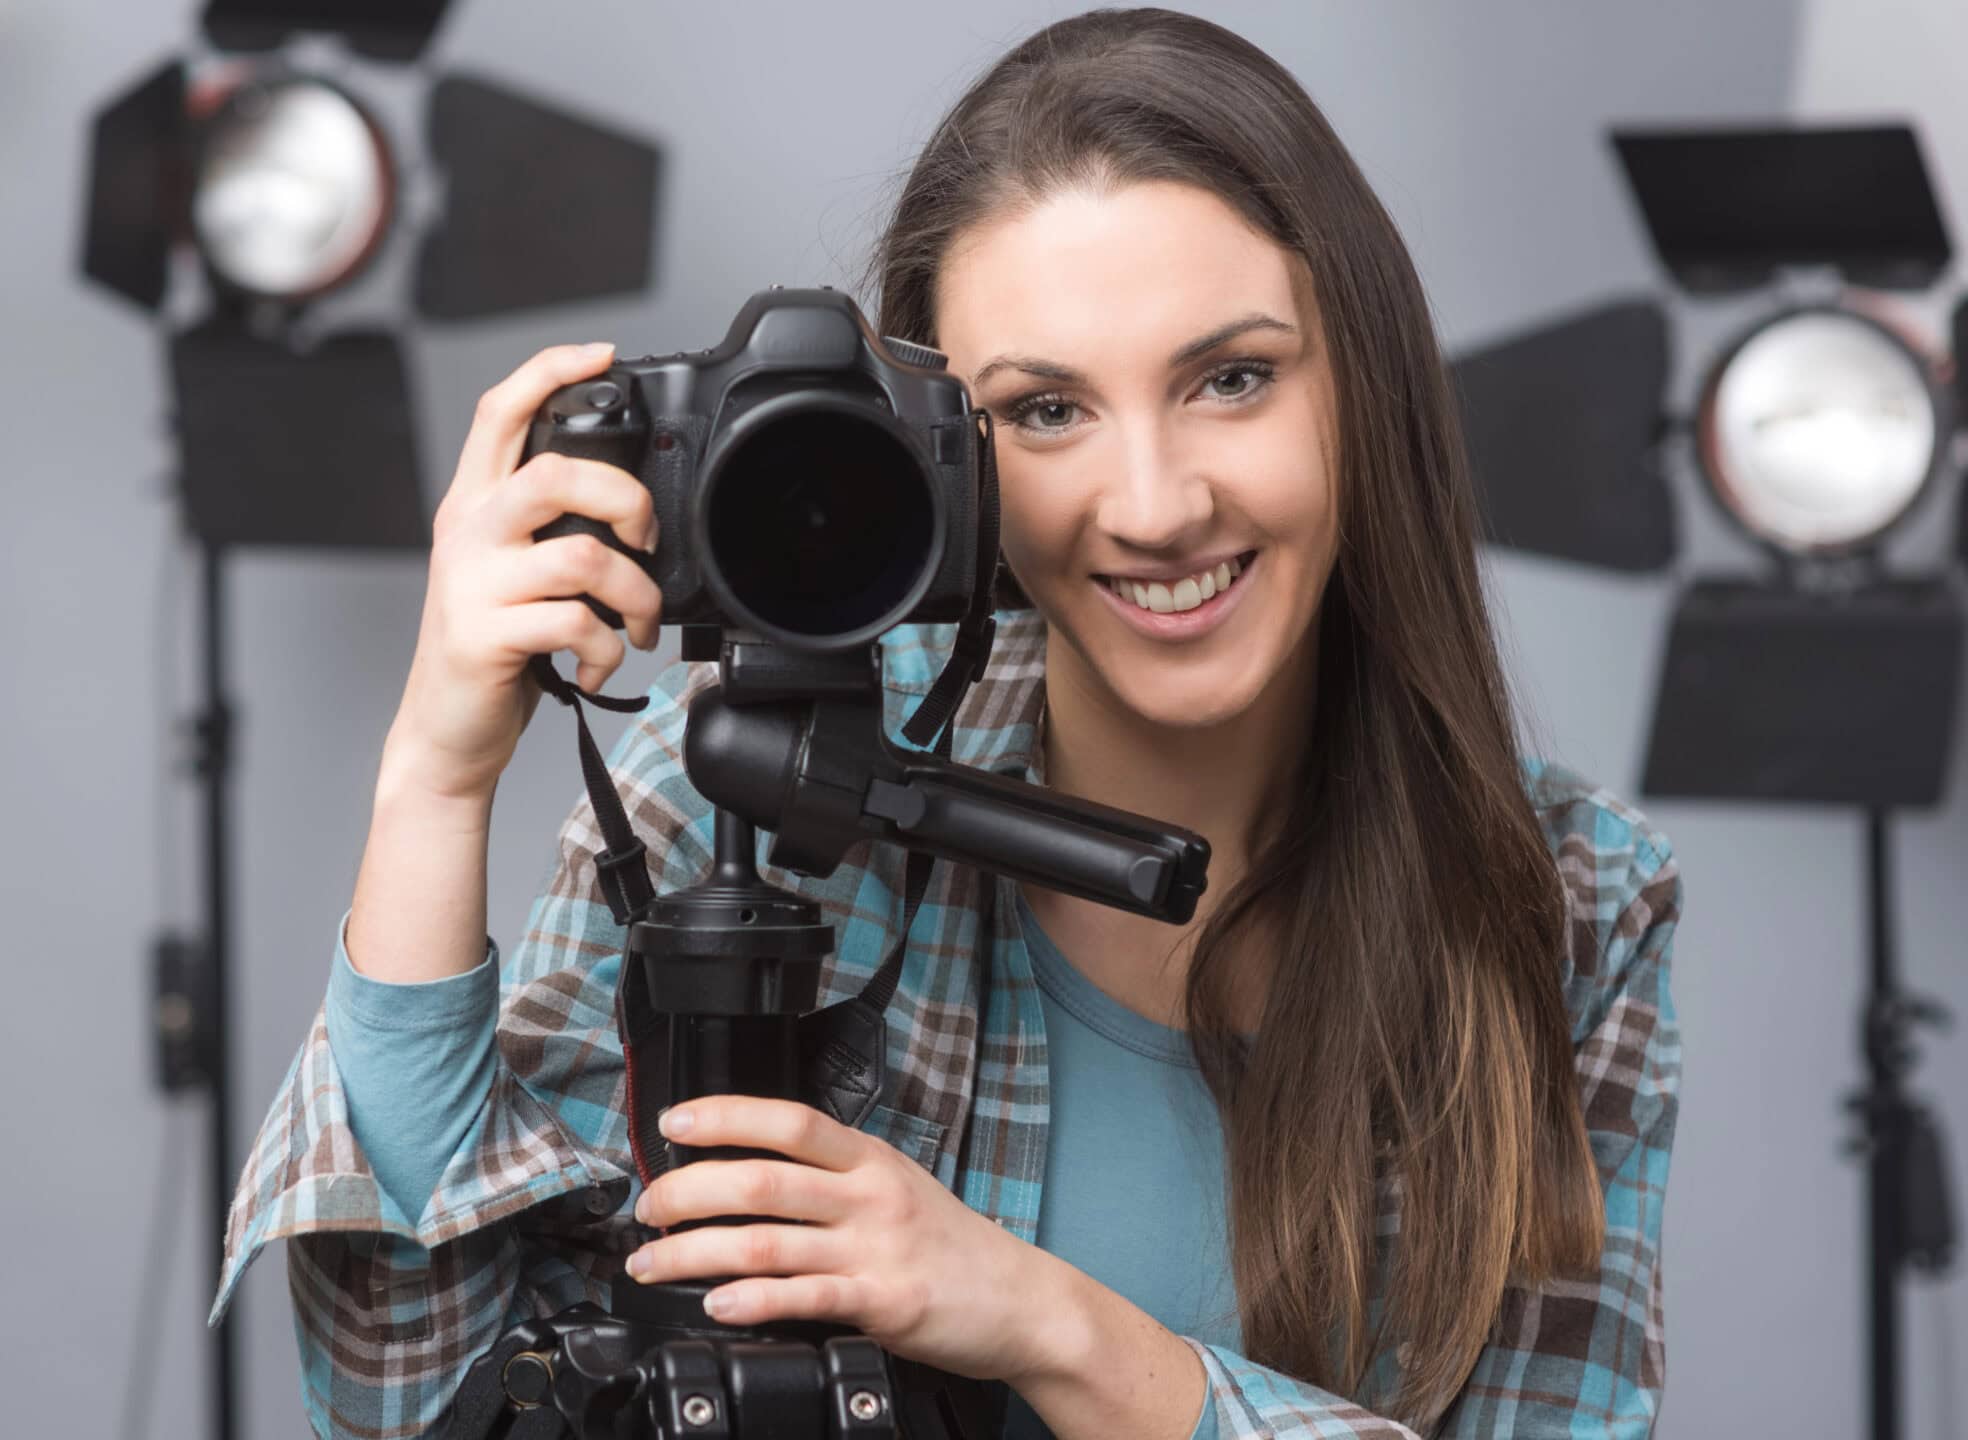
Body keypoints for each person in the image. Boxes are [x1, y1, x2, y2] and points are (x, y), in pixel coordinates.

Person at [208, 9, 1681, 1439]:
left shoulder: (1566, 905)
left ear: (1360, 383)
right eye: (1048, 411)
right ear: (948, 468)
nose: (1156, 504)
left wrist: (1049, 1326)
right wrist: (434, 777)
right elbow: (402, 1403)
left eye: (1231, 380)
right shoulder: (758, 788)